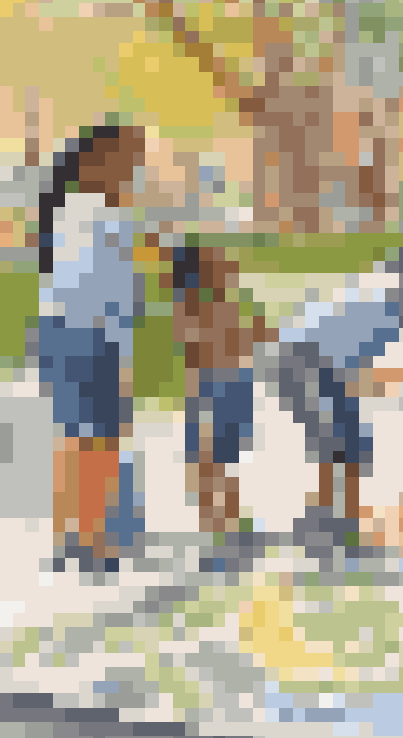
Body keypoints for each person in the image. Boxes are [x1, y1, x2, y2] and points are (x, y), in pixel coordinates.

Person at [261, 247, 403, 548]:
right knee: (343, 444)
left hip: (309, 362)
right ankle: (332, 524)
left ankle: (333, 520)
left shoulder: (385, 303)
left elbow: (362, 369)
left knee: (345, 444)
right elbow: (356, 370)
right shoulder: (385, 310)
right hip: (304, 363)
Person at [36, 123, 151, 570]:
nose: (133, 171)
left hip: (65, 332)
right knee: (99, 439)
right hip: (94, 336)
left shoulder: (68, 211)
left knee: (74, 437)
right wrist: (122, 351)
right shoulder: (102, 215)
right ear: (96, 162)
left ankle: (73, 536)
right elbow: (110, 292)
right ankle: (96, 540)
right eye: (128, 161)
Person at [165, 245, 270, 542]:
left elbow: (252, 335)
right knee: (212, 459)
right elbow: (200, 347)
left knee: (220, 458)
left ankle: (224, 520)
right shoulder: (197, 309)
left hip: (225, 382)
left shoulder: (211, 306)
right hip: (214, 383)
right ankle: (217, 522)